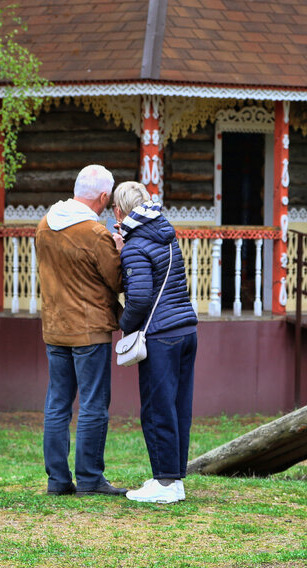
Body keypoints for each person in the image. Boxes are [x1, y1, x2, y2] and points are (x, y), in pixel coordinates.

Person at [35, 165, 127, 497]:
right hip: (89, 331)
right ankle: (89, 479)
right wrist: (118, 248)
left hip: (55, 328)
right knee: (92, 403)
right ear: (103, 197)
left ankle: (57, 481)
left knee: (57, 403)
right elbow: (117, 281)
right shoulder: (94, 233)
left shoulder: (45, 225)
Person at [111, 182, 198, 504]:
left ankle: (164, 483)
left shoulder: (135, 246)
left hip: (160, 337)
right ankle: (173, 480)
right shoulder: (165, 234)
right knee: (177, 408)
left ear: (119, 212)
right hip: (186, 329)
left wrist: (123, 326)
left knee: (156, 409)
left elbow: (140, 298)